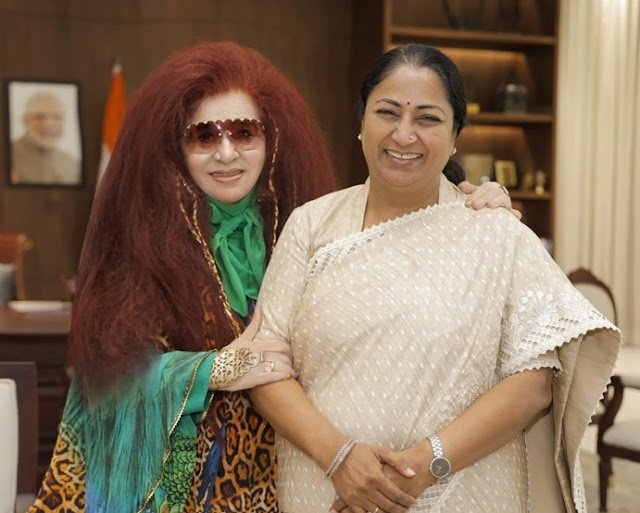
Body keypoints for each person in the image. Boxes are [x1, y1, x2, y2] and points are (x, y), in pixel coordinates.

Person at [28, 41, 514, 513]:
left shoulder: (307, 223)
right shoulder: (141, 241)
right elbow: (105, 380)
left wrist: (464, 200)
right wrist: (213, 370)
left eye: (244, 133)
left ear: (271, 139)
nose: (226, 154)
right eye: (204, 136)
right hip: (182, 490)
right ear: (175, 147)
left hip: (287, 483)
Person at [249, 44, 622, 513]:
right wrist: (340, 459)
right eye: (387, 112)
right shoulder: (310, 225)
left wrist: (425, 465)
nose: (404, 134)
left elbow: (534, 382)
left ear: (455, 136)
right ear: (361, 123)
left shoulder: (496, 232)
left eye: (427, 118)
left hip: (462, 490)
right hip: (322, 487)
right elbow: (264, 366)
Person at [10, 92, 81, 184]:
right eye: (39, 117)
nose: (48, 124)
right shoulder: (7, 154)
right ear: (25, 120)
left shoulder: (73, 164)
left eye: (57, 117)